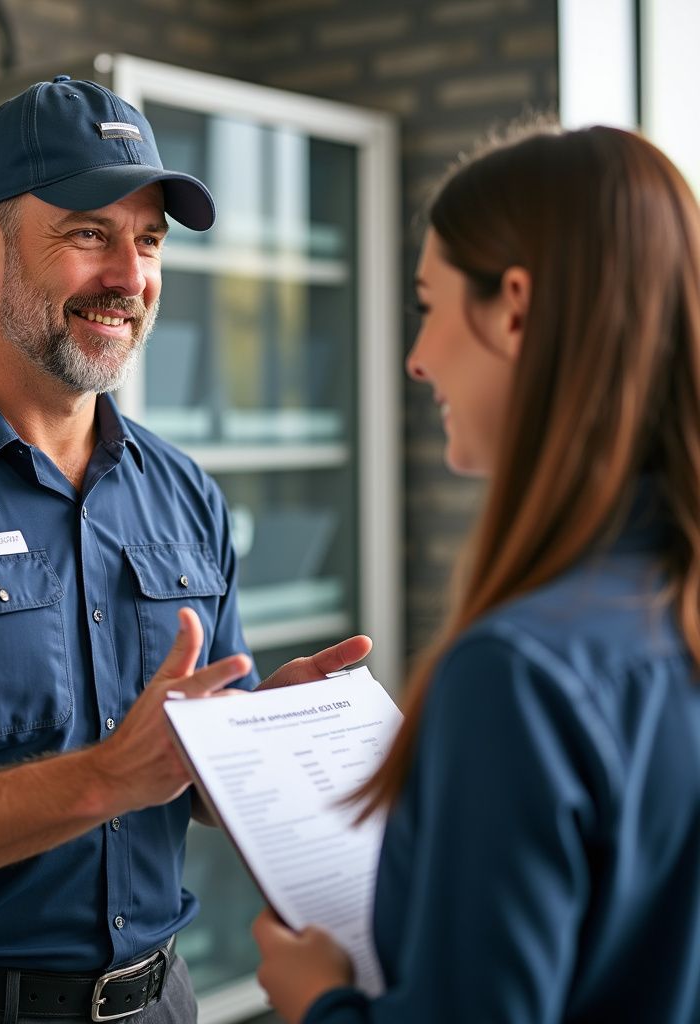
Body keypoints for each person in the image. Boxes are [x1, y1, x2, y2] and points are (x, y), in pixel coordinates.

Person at [0, 75, 371, 1024]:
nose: (130, 275)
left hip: (160, 1002)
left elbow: (187, 778)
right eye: (89, 233)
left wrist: (260, 744)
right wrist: (101, 778)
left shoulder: (186, 495)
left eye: (150, 240)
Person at [252, 122, 700, 1024]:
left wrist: (317, 1001)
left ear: (515, 309)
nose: (416, 358)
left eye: (427, 303)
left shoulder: (517, 674)